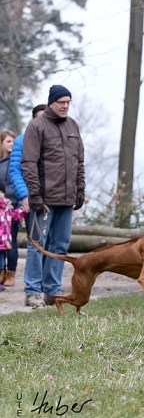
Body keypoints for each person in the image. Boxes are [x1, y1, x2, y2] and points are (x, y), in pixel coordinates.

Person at [21, 85, 85, 309]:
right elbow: (28, 163)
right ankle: (32, 291)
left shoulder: (73, 125)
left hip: (67, 200)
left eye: (68, 102)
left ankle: (52, 290)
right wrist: (35, 194)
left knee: (60, 246)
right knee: (37, 245)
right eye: (61, 102)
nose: (65, 105)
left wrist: (80, 189)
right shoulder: (36, 126)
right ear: (51, 102)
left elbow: (79, 162)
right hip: (44, 201)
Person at [10, 104, 46, 216]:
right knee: (37, 233)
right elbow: (15, 171)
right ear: (33, 120)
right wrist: (24, 195)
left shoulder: (57, 141)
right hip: (32, 198)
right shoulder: (21, 141)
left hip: (55, 198)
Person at [0, 130, 25, 290]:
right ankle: (1, 271)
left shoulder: (18, 162)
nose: (12, 144)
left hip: (13, 205)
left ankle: (11, 273)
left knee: (12, 241)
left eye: (13, 141)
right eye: (8, 141)